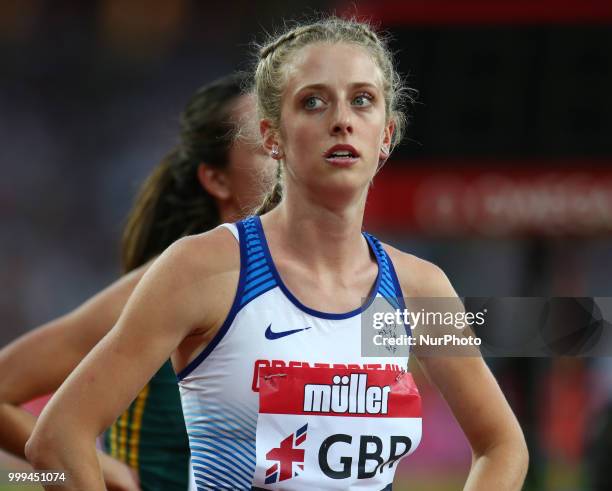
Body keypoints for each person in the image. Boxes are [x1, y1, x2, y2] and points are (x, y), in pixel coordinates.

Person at [26, 17, 528, 490]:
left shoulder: (420, 288)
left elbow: (503, 445)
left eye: (362, 101)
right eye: (313, 102)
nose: (341, 122)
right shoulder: (204, 269)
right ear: (272, 136)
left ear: (387, 137)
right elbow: (57, 439)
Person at [0, 72, 275, 491]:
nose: (289, 157)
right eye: (266, 147)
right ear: (216, 179)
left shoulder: (373, 281)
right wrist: (107, 474)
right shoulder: (166, 286)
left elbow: (402, 385)